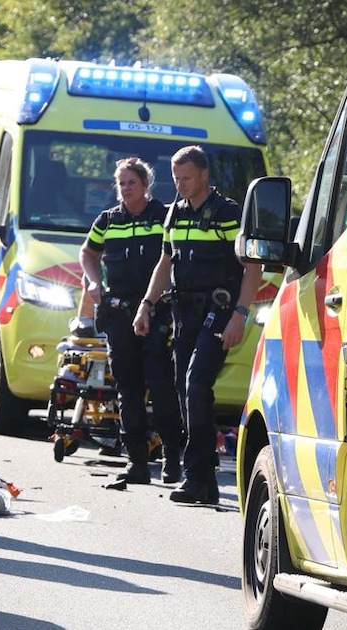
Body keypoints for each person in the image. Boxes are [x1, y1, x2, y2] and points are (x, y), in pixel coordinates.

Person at [133, 145, 259, 504]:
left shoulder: (228, 213)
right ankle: (205, 481)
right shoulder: (175, 212)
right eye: (175, 177)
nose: (181, 183)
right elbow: (165, 263)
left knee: (196, 382)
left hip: (220, 309)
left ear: (204, 174)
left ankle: (195, 475)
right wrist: (146, 305)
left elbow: (252, 267)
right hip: (183, 311)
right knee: (184, 389)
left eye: (186, 176)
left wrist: (241, 314)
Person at [80, 157, 180, 485]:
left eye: (131, 183)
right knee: (128, 389)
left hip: (157, 311)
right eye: (120, 183)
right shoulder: (108, 220)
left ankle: (171, 459)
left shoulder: (164, 216)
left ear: (145, 185)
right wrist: (94, 282)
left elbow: (175, 256)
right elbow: (88, 253)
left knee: (162, 385)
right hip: (120, 313)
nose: (124, 189)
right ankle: (136, 461)